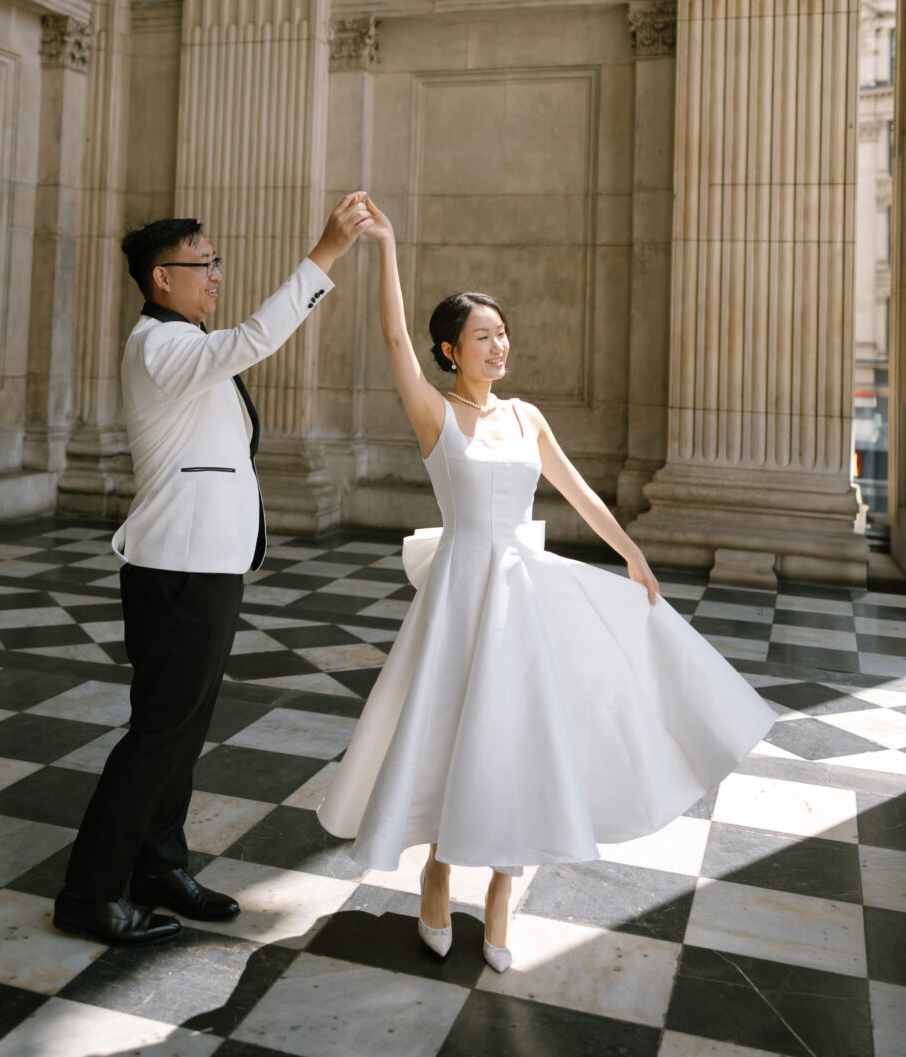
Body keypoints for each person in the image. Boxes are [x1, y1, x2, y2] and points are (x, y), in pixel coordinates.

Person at [317, 197, 774, 972]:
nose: (499, 345)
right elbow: (391, 334)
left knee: (518, 734)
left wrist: (629, 552)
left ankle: (500, 889)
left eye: (502, 333)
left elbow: (579, 492)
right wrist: (386, 245)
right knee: (448, 731)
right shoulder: (435, 415)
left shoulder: (525, 416)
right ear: (448, 350)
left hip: (520, 594)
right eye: (482, 336)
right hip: (460, 591)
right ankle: (435, 869)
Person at [54, 193, 372, 946]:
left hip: (206, 566)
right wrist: (323, 252)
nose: (216, 276)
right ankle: (88, 895)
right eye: (203, 265)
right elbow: (257, 337)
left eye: (215, 262)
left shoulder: (184, 346)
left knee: (182, 730)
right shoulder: (159, 347)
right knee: (157, 735)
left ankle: (159, 868)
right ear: (160, 278)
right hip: (175, 568)